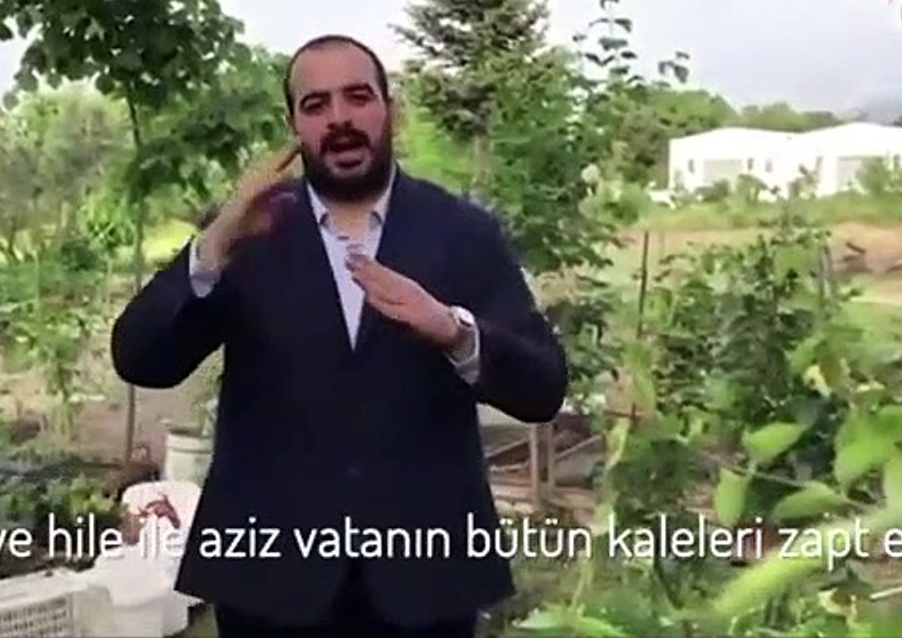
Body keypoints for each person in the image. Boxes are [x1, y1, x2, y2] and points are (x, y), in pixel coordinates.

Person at [110, 34, 568, 637]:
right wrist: (214, 244)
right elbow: (140, 359)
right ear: (293, 125)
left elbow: (543, 388)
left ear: (390, 108)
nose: (340, 119)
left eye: (358, 96)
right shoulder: (250, 231)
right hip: (269, 578)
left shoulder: (463, 233)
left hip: (424, 578)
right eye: (316, 104)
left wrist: (453, 331)